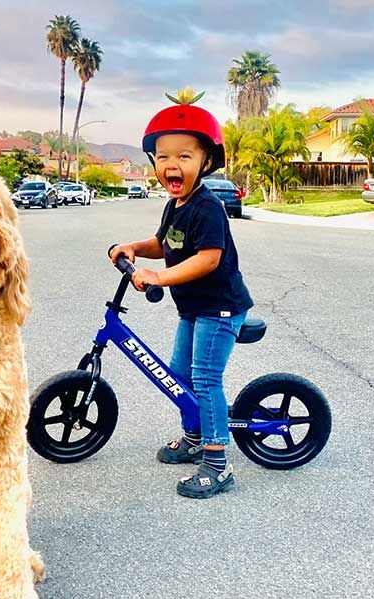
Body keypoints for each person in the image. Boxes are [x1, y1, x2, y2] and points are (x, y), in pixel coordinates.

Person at [109, 97, 253, 499]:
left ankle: (217, 465)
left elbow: (209, 259)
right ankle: (194, 439)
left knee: (205, 379)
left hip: (219, 308)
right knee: (179, 374)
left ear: (206, 160)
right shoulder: (176, 203)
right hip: (193, 308)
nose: (172, 165)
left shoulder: (208, 207)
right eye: (163, 156)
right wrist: (134, 248)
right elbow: (163, 242)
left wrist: (160, 276)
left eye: (184, 155)